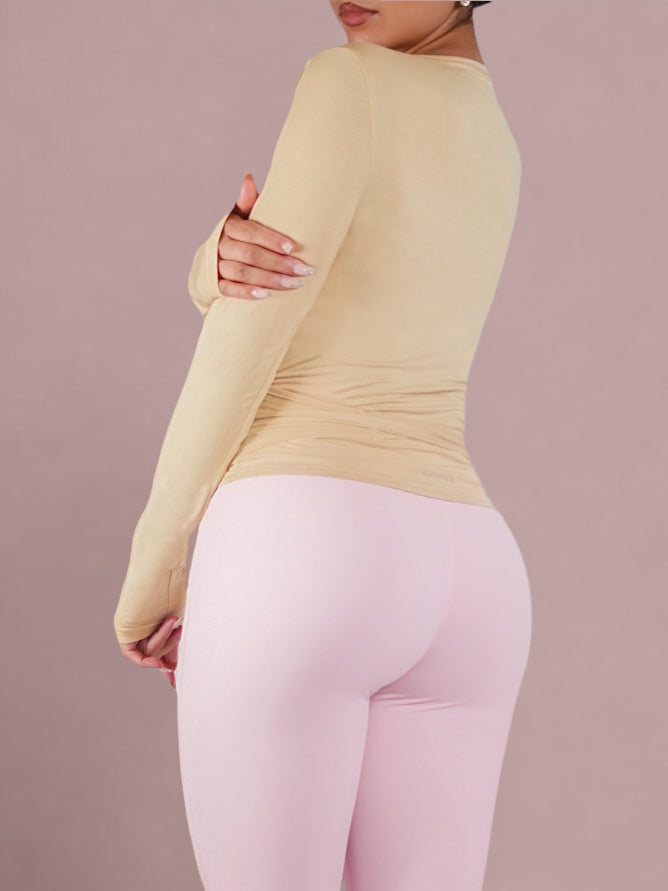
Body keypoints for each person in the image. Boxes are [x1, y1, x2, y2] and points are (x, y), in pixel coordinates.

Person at [113, 1, 532, 888]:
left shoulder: (349, 82)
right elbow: (339, 286)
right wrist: (211, 268)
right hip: (474, 578)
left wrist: (154, 567)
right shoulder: (496, 136)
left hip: (305, 544)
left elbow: (247, 340)